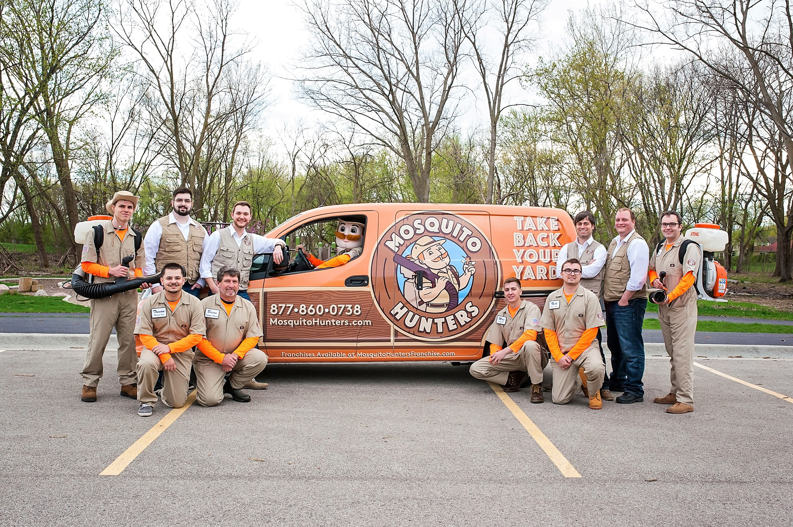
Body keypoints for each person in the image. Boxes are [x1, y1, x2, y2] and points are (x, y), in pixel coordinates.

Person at [79, 190, 150, 403]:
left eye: (130, 207)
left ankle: (128, 382)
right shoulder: (97, 232)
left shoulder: (136, 236)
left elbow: (139, 267)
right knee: (98, 338)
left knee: (128, 340)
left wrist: (139, 280)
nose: (126, 210)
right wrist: (110, 271)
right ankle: (89, 383)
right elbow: (86, 265)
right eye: (122, 206)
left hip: (128, 296)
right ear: (114, 208)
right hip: (104, 293)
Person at [135, 263, 206, 417]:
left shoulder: (194, 303)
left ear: (183, 280)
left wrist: (170, 349)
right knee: (146, 364)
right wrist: (165, 355)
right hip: (155, 348)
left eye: (177, 278)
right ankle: (146, 401)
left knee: (177, 403)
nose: (173, 281)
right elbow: (145, 335)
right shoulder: (150, 303)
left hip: (180, 351)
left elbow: (196, 336)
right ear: (161, 280)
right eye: (169, 278)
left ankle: (165, 390)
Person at [555, 211, 612, 401]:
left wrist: (571, 269)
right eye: (579, 224)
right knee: (567, 339)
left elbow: (595, 270)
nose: (583, 227)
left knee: (593, 341)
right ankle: (575, 380)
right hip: (569, 302)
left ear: (593, 226)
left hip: (590, 302)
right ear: (575, 226)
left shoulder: (600, 249)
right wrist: (582, 269)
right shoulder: (567, 247)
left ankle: (602, 385)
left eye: (586, 224)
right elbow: (558, 271)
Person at [649, 211, 701, 414]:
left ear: (680, 226)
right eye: (664, 224)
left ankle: (685, 399)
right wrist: (654, 280)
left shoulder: (689, 247)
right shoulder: (661, 246)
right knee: (672, 351)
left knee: (682, 353)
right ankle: (674, 391)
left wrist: (672, 296)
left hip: (681, 307)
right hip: (665, 307)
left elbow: (689, 279)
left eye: (672, 224)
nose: (667, 227)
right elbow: (652, 268)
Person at [194, 266, 267, 406]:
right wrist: (221, 359)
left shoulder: (247, 306)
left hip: (234, 357)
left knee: (260, 358)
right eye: (227, 281)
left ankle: (232, 386)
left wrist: (234, 356)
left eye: (234, 281)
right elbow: (198, 338)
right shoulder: (204, 305)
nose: (231, 285)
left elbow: (253, 337)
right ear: (218, 283)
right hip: (209, 360)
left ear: (239, 284)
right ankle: (212, 383)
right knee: (209, 401)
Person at [541, 259, 606, 409]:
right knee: (559, 399)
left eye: (576, 270)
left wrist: (571, 356)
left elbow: (592, 331)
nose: (572, 274)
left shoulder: (590, 298)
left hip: (585, 349)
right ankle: (579, 379)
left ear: (581, 275)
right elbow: (549, 331)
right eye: (568, 270)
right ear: (562, 274)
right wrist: (558, 356)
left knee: (596, 367)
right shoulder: (552, 298)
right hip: (562, 350)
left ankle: (593, 391)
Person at [603, 208, 650, 404]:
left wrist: (624, 299)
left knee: (631, 346)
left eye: (624, 219)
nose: (620, 222)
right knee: (616, 345)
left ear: (633, 222)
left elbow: (639, 278)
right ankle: (619, 380)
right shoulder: (615, 242)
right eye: (618, 219)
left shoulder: (637, 243)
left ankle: (634, 389)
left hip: (629, 302)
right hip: (614, 301)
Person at [469, 277, 545, 397]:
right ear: (504, 293)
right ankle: (513, 379)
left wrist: (504, 352)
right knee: (475, 368)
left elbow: (531, 335)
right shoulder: (501, 314)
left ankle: (536, 386)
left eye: (513, 289)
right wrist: (495, 356)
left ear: (520, 291)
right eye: (507, 290)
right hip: (513, 357)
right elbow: (495, 341)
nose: (510, 293)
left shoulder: (531, 308)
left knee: (529, 344)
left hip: (533, 355)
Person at [199, 201, 286, 302]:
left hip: (241, 291)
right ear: (232, 215)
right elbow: (204, 265)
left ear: (250, 217)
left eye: (245, 214)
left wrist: (278, 246)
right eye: (238, 213)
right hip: (219, 291)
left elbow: (276, 242)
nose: (242, 217)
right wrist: (214, 288)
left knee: (247, 316)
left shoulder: (253, 240)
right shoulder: (218, 236)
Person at [143, 187, 209, 298]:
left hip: (192, 288)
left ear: (191, 204)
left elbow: (207, 258)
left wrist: (201, 282)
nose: (183, 204)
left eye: (187, 201)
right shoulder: (159, 226)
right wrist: (154, 285)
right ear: (172, 202)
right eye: (179, 200)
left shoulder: (200, 229)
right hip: (164, 286)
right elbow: (147, 256)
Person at [299, 218, 365, 268]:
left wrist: (318, 269)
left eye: (353, 230)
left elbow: (341, 260)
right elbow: (325, 263)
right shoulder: (343, 251)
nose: (345, 234)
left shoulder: (359, 250)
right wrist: (308, 255)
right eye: (342, 229)